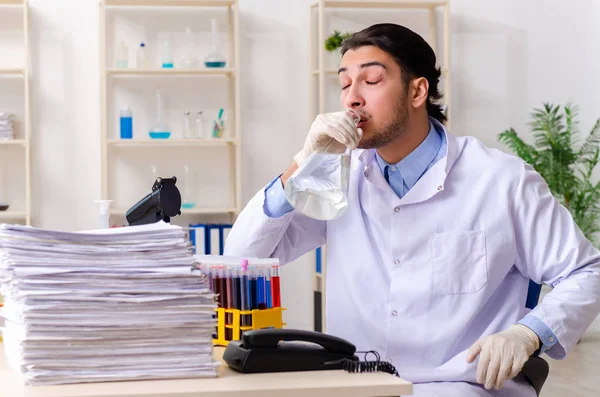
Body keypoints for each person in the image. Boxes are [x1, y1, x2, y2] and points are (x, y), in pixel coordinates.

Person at [224, 23, 600, 396]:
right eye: (344, 84)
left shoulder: (502, 180)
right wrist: (304, 163)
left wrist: (529, 333)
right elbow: (242, 258)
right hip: (357, 384)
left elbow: (587, 271)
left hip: (461, 386)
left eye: (370, 81)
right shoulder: (337, 176)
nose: (352, 98)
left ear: (418, 91)